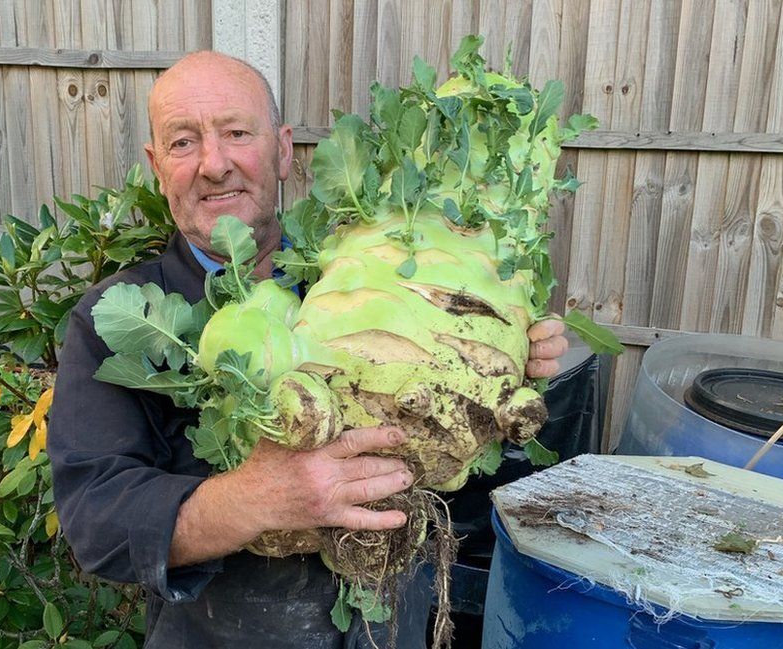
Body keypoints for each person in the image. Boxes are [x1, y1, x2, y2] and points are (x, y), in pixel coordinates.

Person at [48, 51, 568, 649]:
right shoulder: (118, 316)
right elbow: (96, 520)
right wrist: (252, 499)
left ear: (285, 150)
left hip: (393, 626)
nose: (214, 165)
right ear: (156, 165)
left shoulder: (373, 267)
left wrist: (496, 363)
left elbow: (461, 467)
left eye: (238, 133)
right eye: (183, 142)